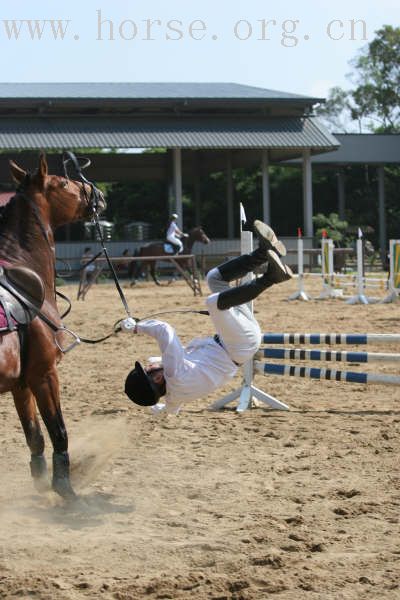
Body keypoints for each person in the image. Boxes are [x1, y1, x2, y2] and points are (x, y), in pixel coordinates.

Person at [121, 220, 292, 416]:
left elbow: (168, 410)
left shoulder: (174, 397)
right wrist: (136, 327)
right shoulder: (173, 372)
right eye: (147, 369)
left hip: (237, 341)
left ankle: (262, 252)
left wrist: (154, 408)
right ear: (158, 378)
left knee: (214, 278)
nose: (148, 365)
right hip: (238, 343)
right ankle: (271, 277)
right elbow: (164, 330)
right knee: (212, 302)